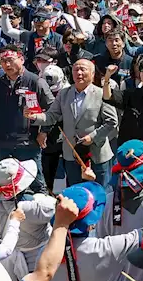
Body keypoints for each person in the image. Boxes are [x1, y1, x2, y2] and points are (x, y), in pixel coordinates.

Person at [29, 57, 120, 188]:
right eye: (76, 69)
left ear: (92, 74)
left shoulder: (101, 94)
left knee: (100, 194)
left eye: (83, 69)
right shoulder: (64, 93)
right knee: (75, 193)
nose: (79, 73)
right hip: (71, 153)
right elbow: (51, 116)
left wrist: (92, 137)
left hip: (96, 153)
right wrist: (34, 116)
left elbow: (112, 122)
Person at [0, 46, 53, 193]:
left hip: (28, 142)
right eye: (3, 61)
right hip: (3, 142)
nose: (7, 65)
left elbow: (53, 109)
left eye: (10, 60)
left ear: (21, 59)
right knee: (5, 186)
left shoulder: (35, 82)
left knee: (36, 184)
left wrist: (44, 131)